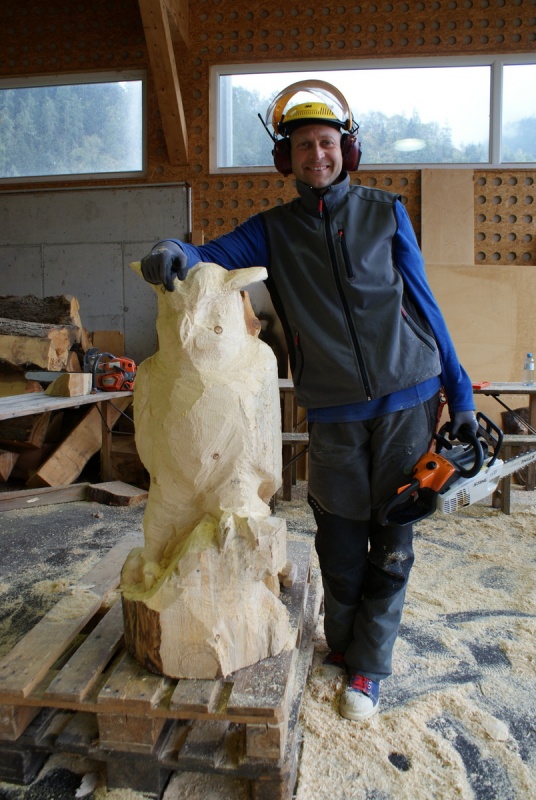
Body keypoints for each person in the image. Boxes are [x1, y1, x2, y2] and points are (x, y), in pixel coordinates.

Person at [140, 81, 477, 722]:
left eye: (326, 142)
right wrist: (171, 249)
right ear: (286, 158)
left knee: (393, 540)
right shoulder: (272, 231)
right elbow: (205, 257)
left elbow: (426, 304)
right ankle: (343, 645)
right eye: (302, 146)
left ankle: (369, 669)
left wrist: (459, 394)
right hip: (333, 410)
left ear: (346, 149)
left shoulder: (385, 212)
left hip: (408, 398)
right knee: (339, 541)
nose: (316, 155)